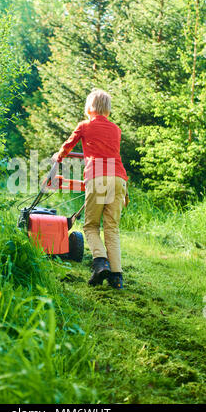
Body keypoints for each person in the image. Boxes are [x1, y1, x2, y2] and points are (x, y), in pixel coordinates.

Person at [52, 89, 129, 289]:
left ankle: (100, 262)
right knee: (112, 228)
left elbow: (68, 145)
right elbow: (114, 154)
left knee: (90, 225)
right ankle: (117, 276)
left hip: (97, 177)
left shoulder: (85, 126)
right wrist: (125, 191)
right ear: (108, 110)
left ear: (89, 108)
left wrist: (58, 157)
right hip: (119, 178)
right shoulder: (116, 130)